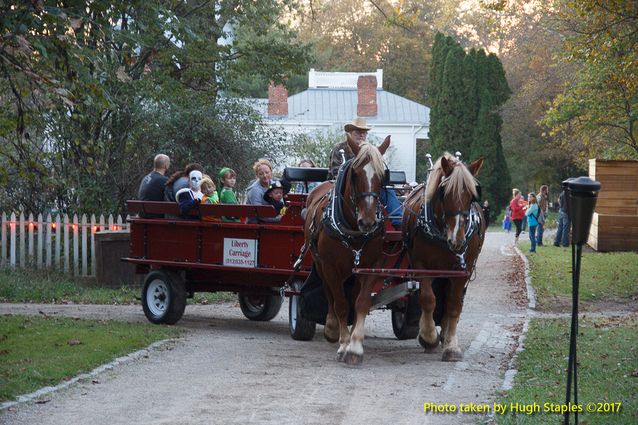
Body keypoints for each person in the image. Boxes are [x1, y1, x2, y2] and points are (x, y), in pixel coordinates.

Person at [327, 117, 402, 228]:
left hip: (368, 186)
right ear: (350, 133)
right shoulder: (340, 148)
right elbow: (335, 172)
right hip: (345, 186)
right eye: (358, 132)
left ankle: (398, 221)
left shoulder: (371, 151)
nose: (362, 135)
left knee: (388, 190)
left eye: (364, 132)